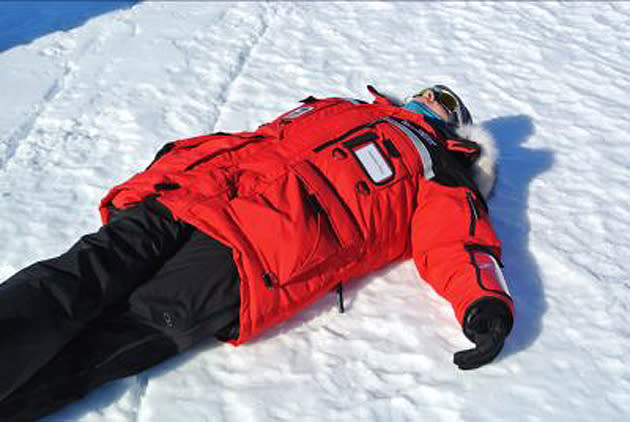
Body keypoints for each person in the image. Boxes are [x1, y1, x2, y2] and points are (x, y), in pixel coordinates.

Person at [0, 84, 514, 421]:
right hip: (192, 194)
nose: (431, 101)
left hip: (252, 253)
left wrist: (483, 303)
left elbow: (456, 241)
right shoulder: (345, 107)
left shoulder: (440, 171)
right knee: (72, 277)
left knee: (121, 333)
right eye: (429, 92)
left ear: (456, 126)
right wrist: (181, 158)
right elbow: (259, 139)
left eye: (445, 104)